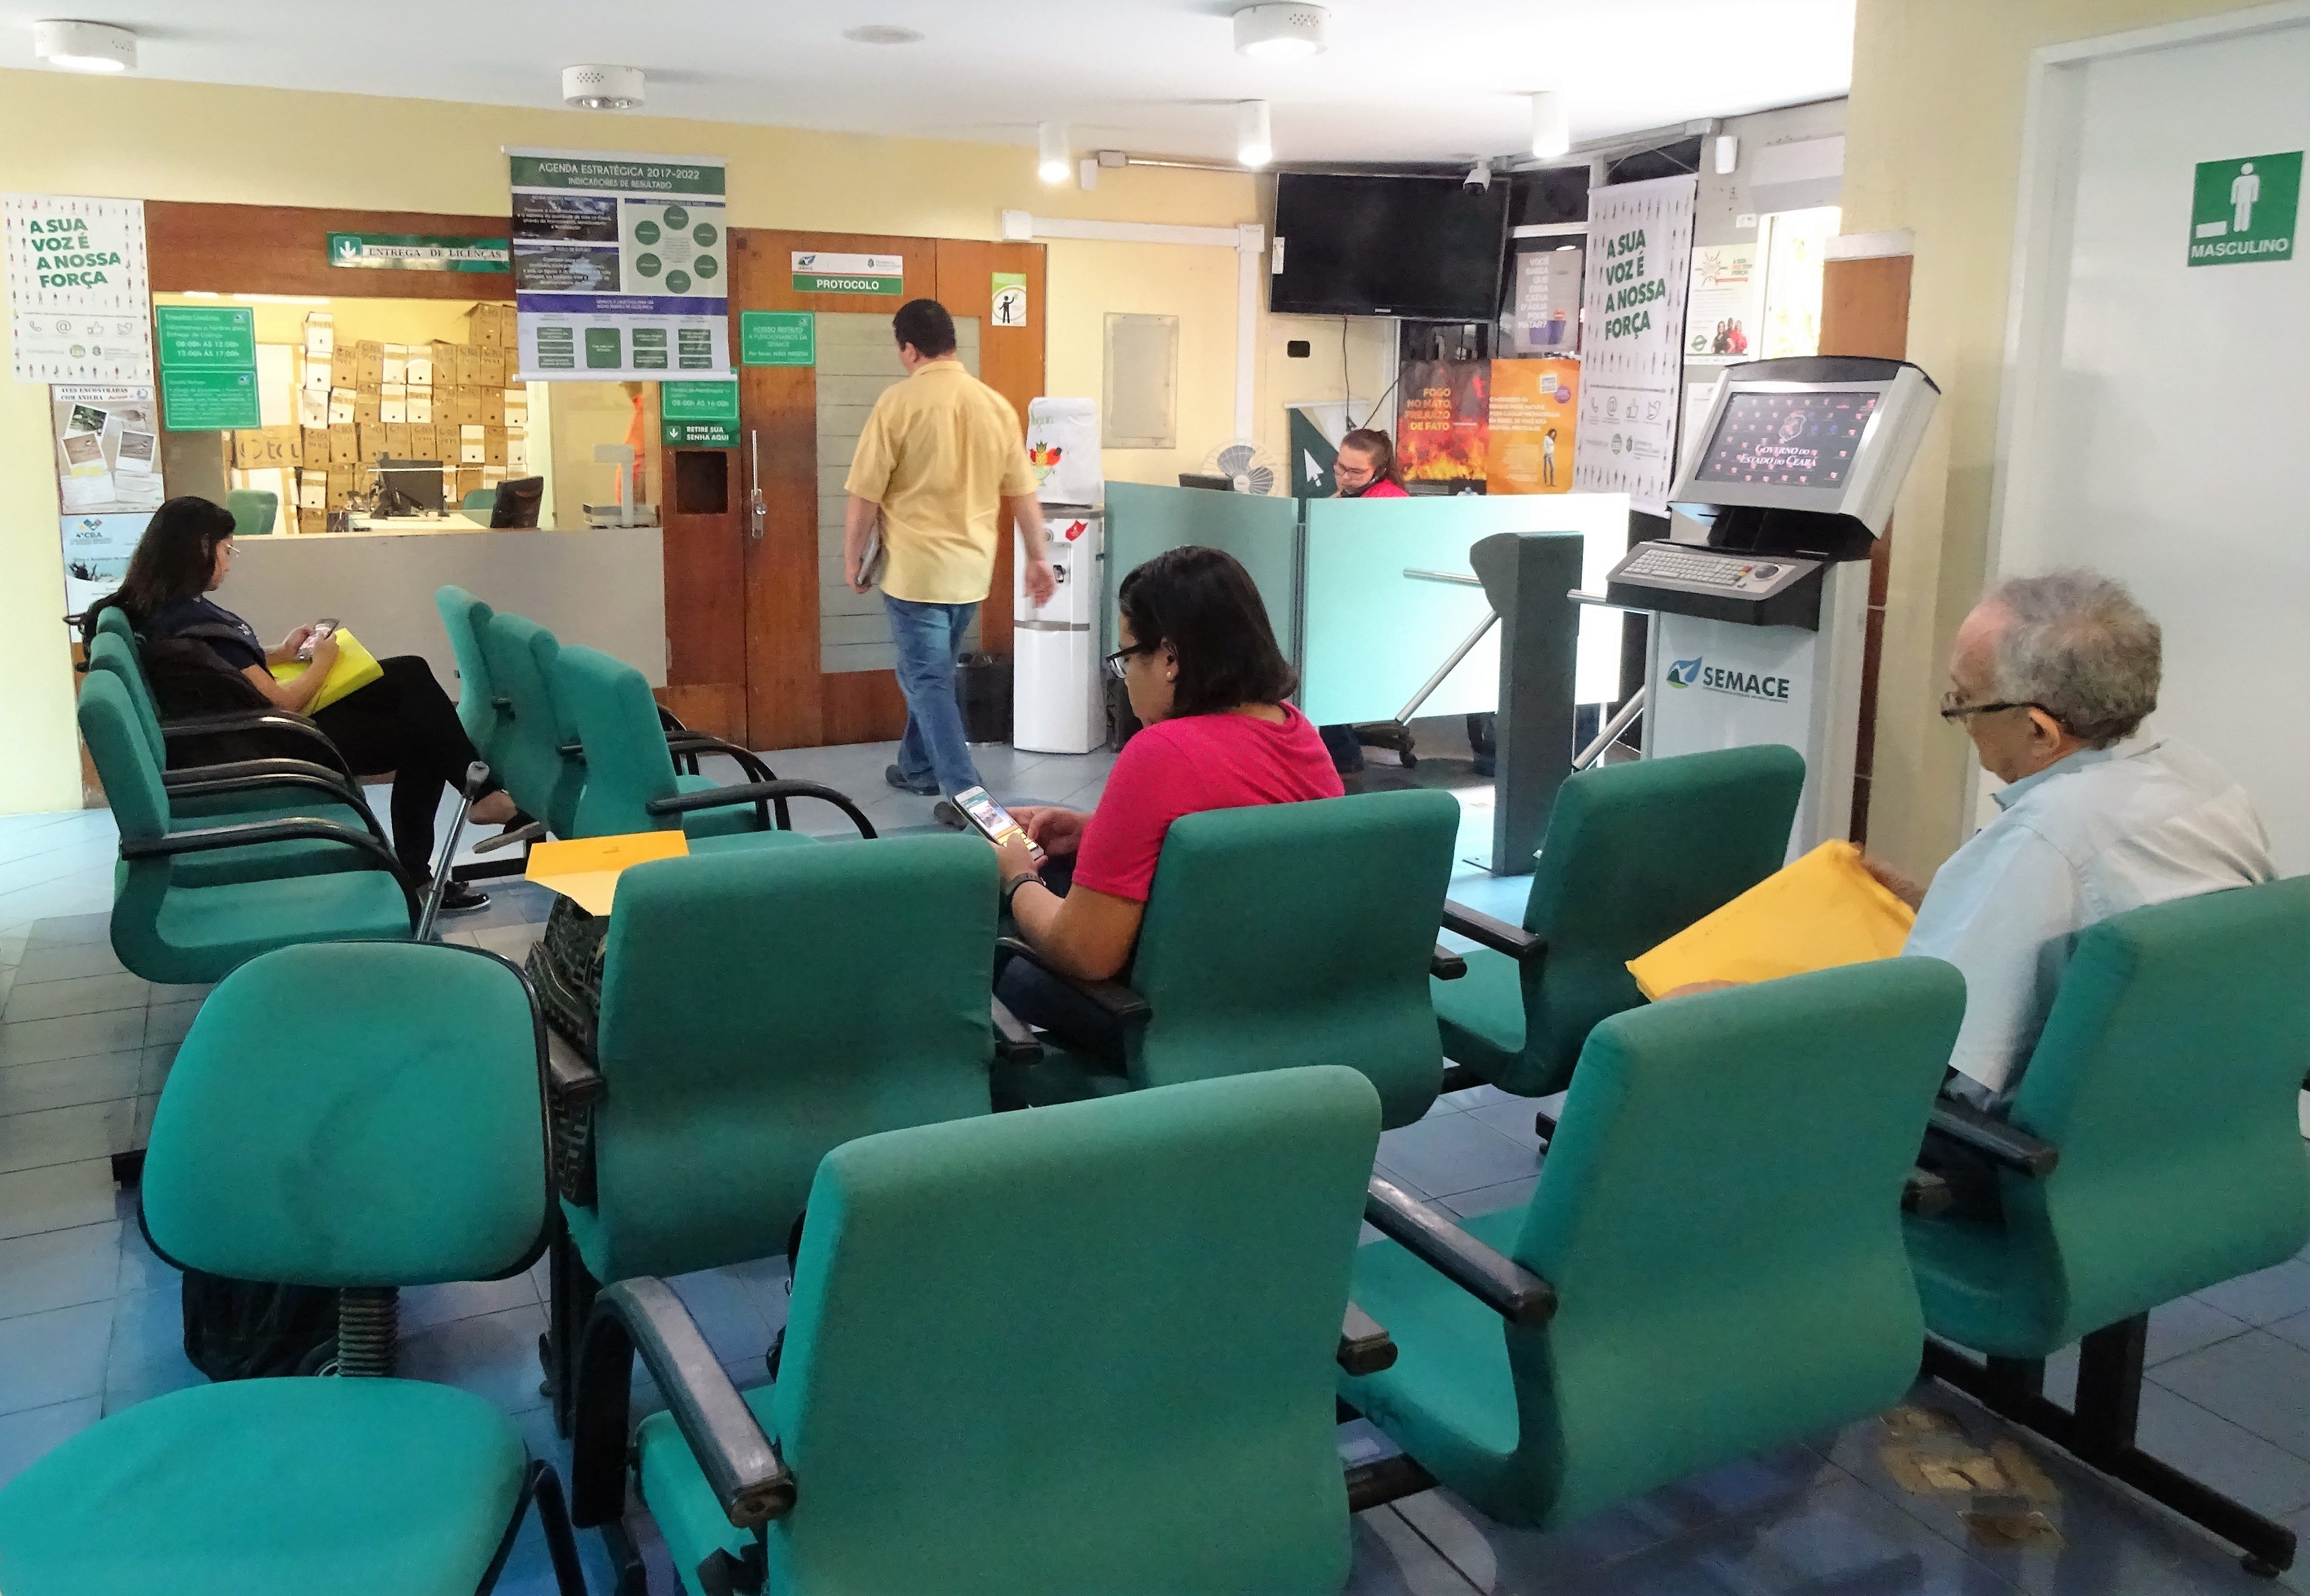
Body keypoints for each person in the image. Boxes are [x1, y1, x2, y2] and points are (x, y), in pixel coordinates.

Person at [1876, 569, 2273, 1113]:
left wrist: (1751, 1008)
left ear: (2040, 731)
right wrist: (1940, 907)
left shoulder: (2045, 835)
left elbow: (1914, 1059)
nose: (1961, 719)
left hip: (2018, 1161)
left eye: (1963, 702)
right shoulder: (2207, 787)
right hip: (2190, 1126)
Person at [82, 496, 518, 910]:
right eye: (226, 550)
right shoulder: (185, 623)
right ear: (199, 550)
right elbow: (286, 702)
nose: (229, 563)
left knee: (410, 679)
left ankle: (463, 812)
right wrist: (322, 663)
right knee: (420, 727)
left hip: (258, 732)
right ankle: (469, 808)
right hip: (278, 745)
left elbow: (229, 665)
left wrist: (283, 652)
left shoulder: (163, 610)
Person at [991, 546, 1342, 1044]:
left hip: (1179, 1024)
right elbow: (1238, 851)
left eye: (1126, 658)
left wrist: (1017, 876)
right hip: (1284, 999)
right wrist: (1097, 830)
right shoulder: (1298, 733)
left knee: (1006, 953)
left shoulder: (1162, 751)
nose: (1126, 678)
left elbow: (1084, 953)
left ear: (1170, 659)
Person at [843, 298, 1057, 801]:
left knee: (927, 679)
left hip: (915, 573)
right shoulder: (995, 405)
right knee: (928, 673)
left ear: (910, 350)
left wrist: (852, 558)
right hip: (970, 574)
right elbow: (1023, 492)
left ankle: (968, 797)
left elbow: (864, 497)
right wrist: (1039, 557)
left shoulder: (896, 404)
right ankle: (916, 766)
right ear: (952, 344)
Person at [1317, 428, 1412, 774]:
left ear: (1380, 470)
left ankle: (1342, 755)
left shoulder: (1386, 501)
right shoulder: (1350, 495)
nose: (1344, 477)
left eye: (1355, 472)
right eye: (1339, 467)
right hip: (1348, 604)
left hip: (1374, 611)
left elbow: (1365, 560)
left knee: (1322, 659)